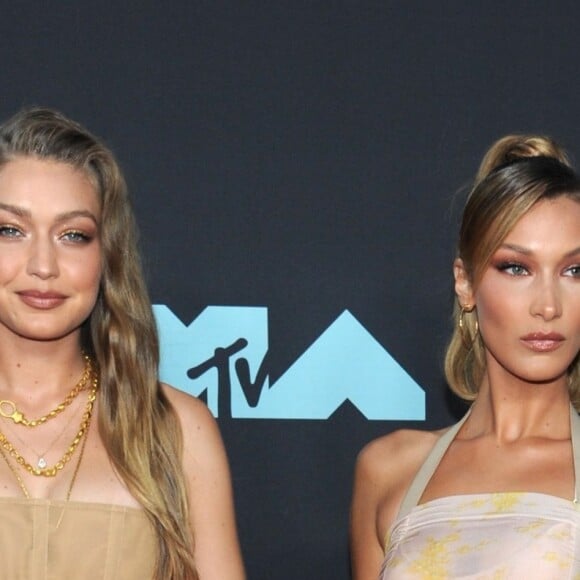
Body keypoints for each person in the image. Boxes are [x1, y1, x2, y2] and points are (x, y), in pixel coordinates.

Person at [0, 107, 245, 580]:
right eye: (11, 230)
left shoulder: (175, 430)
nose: (44, 264)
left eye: (74, 235)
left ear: (107, 256)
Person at [350, 134, 580, 579]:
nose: (548, 306)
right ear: (466, 283)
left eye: (574, 270)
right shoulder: (388, 468)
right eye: (516, 267)